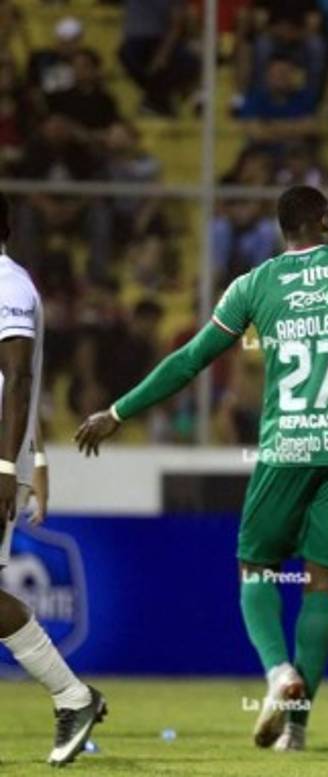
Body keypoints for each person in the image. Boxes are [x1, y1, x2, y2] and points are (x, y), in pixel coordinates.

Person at [74, 185, 328, 753]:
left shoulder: (254, 284)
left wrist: (119, 411)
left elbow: (191, 360)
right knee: (324, 584)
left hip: (284, 451)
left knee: (256, 569)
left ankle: (276, 673)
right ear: (322, 220)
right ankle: (295, 727)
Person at [0, 193, 106, 767]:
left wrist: (12, 466)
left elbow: (18, 381)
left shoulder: (8, 285)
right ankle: (74, 695)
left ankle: (73, 695)